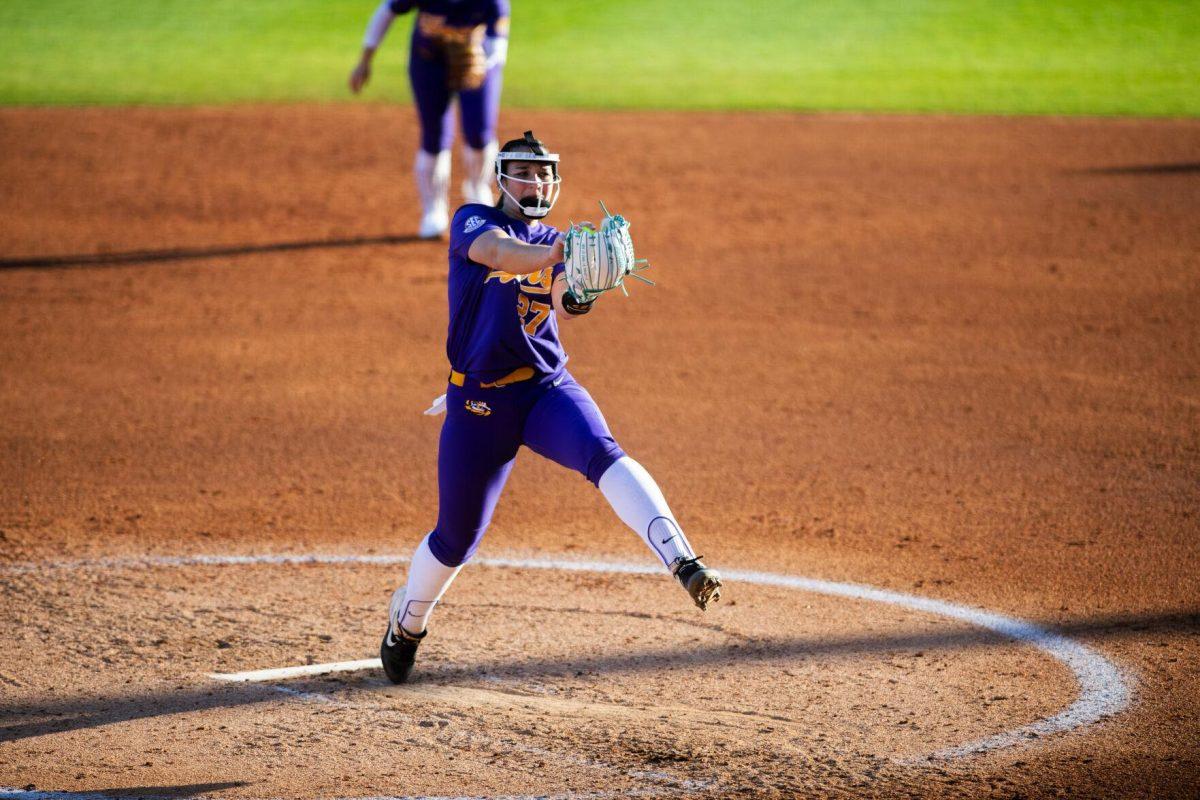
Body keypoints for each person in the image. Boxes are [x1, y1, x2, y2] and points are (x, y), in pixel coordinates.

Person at [380, 131, 723, 684]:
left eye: (544, 174)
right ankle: (408, 623)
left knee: (603, 455)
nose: (535, 182)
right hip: (478, 403)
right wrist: (553, 255)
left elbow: (565, 295)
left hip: (545, 390)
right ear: (501, 178)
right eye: (524, 172)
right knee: (458, 536)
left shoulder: (560, 240)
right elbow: (499, 255)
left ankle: (683, 560)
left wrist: (582, 292)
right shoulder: (473, 220)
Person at [349, 0, 510, 239]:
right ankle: (433, 210)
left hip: (478, 60)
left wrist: (481, 66)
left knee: (479, 131)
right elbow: (387, 11)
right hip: (428, 61)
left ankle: (478, 189)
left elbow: (498, 45)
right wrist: (365, 60)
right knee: (434, 135)